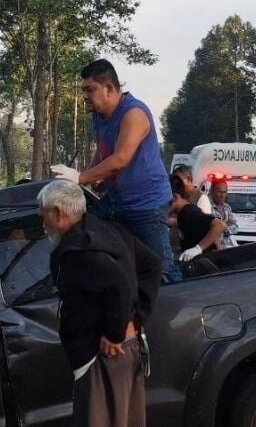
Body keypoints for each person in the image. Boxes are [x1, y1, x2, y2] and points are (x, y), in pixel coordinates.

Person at [39, 180, 160, 427]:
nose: (42, 223)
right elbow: (152, 265)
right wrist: (135, 322)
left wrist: (112, 329)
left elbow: (118, 284)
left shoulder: (76, 250)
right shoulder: (108, 230)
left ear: (59, 214)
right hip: (128, 350)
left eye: (43, 215)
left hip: (102, 357)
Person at [51, 59, 179, 283]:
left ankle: (185, 308)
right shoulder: (99, 117)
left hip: (147, 206)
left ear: (109, 89)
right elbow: (103, 151)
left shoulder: (133, 114)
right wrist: (86, 179)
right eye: (84, 90)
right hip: (117, 202)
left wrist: (80, 177)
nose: (85, 96)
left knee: (161, 271)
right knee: (80, 231)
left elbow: (120, 159)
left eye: (90, 90)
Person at [170, 174, 226, 262]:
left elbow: (220, 225)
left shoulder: (188, 213)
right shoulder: (182, 214)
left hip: (205, 264)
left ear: (174, 197)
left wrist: (198, 248)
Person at [208, 180, 238, 249]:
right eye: (220, 192)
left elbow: (235, 228)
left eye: (225, 192)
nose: (223, 195)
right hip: (211, 248)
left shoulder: (227, 207)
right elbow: (210, 230)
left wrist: (221, 226)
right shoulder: (208, 207)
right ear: (212, 191)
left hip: (225, 246)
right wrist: (226, 224)